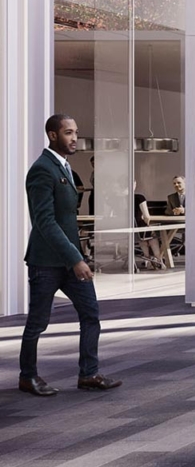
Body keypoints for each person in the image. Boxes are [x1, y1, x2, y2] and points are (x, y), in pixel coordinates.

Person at [20, 114, 122, 396]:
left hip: (69, 259)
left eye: (76, 132)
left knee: (91, 314)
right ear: (53, 135)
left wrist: (77, 257)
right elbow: (45, 221)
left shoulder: (63, 167)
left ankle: (88, 374)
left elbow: (65, 220)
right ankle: (28, 377)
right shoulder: (42, 169)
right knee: (38, 322)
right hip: (47, 262)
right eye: (68, 132)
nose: (75, 137)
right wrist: (75, 259)